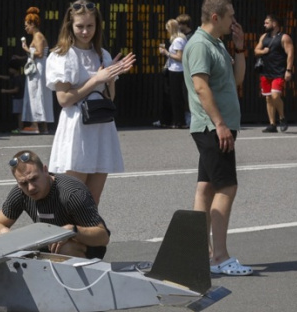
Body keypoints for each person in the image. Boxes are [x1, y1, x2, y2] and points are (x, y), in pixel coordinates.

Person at [183, 0, 252, 276]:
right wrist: (220, 124)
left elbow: (237, 79)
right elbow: (200, 87)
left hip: (215, 126)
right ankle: (219, 257)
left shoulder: (217, 43)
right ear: (215, 16)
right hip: (212, 127)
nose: (233, 21)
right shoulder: (200, 44)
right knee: (227, 187)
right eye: (230, 17)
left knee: (206, 188)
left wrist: (241, 47)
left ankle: (200, 254)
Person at [45, 1, 136, 206]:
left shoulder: (102, 54)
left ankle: (86, 238)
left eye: (90, 26)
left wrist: (111, 77)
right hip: (77, 128)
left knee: (93, 201)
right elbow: (64, 99)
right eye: (80, 26)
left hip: (101, 126)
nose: (85, 31)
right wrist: (96, 79)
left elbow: (109, 98)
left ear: (97, 26)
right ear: (70, 25)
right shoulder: (62, 55)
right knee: (73, 199)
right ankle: (67, 238)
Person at [0, 150, 109, 259]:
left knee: (65, 249)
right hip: (46, 244)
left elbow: (103, 237)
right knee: (5, 246)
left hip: (84, 246)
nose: (30, 188)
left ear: (45, 171)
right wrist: (5, 234)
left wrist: (71, 231)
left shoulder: (72, 193)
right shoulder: (20, 193)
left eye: (34, 179)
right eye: (24, 183)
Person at [254, 14, 294, 132]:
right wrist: (263, 51)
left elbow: (290, 54)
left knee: (275, 95)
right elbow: (256, 50)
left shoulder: (284, 37)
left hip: (279, 72)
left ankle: (282, 117)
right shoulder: (264, 37)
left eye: (267, 23)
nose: (264, 25)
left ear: (274, 24)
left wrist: (288, 70)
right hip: (266, 72)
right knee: (268, 98)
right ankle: (272, 124)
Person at [20, 7, 54, 135]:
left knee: (35, 94)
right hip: (39, 67)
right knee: (39, 94)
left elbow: (39, 53)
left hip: (38, 69)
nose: (26, 28)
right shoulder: (37, 36)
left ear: (32, 24)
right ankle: (43, 127)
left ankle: (35, 125)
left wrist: (26, 49)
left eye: (27, 25)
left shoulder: (38, 36)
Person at [157, 19, 188, 129]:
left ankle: (179, 121)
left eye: (168, 29)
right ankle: (175, 120)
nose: (167, 32)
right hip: (175, 70)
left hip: (177, 71)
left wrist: (166, 53)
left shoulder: (178, 40)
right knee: (174, 97)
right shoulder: (180, 39)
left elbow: (180, 57)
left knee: (176, 97)